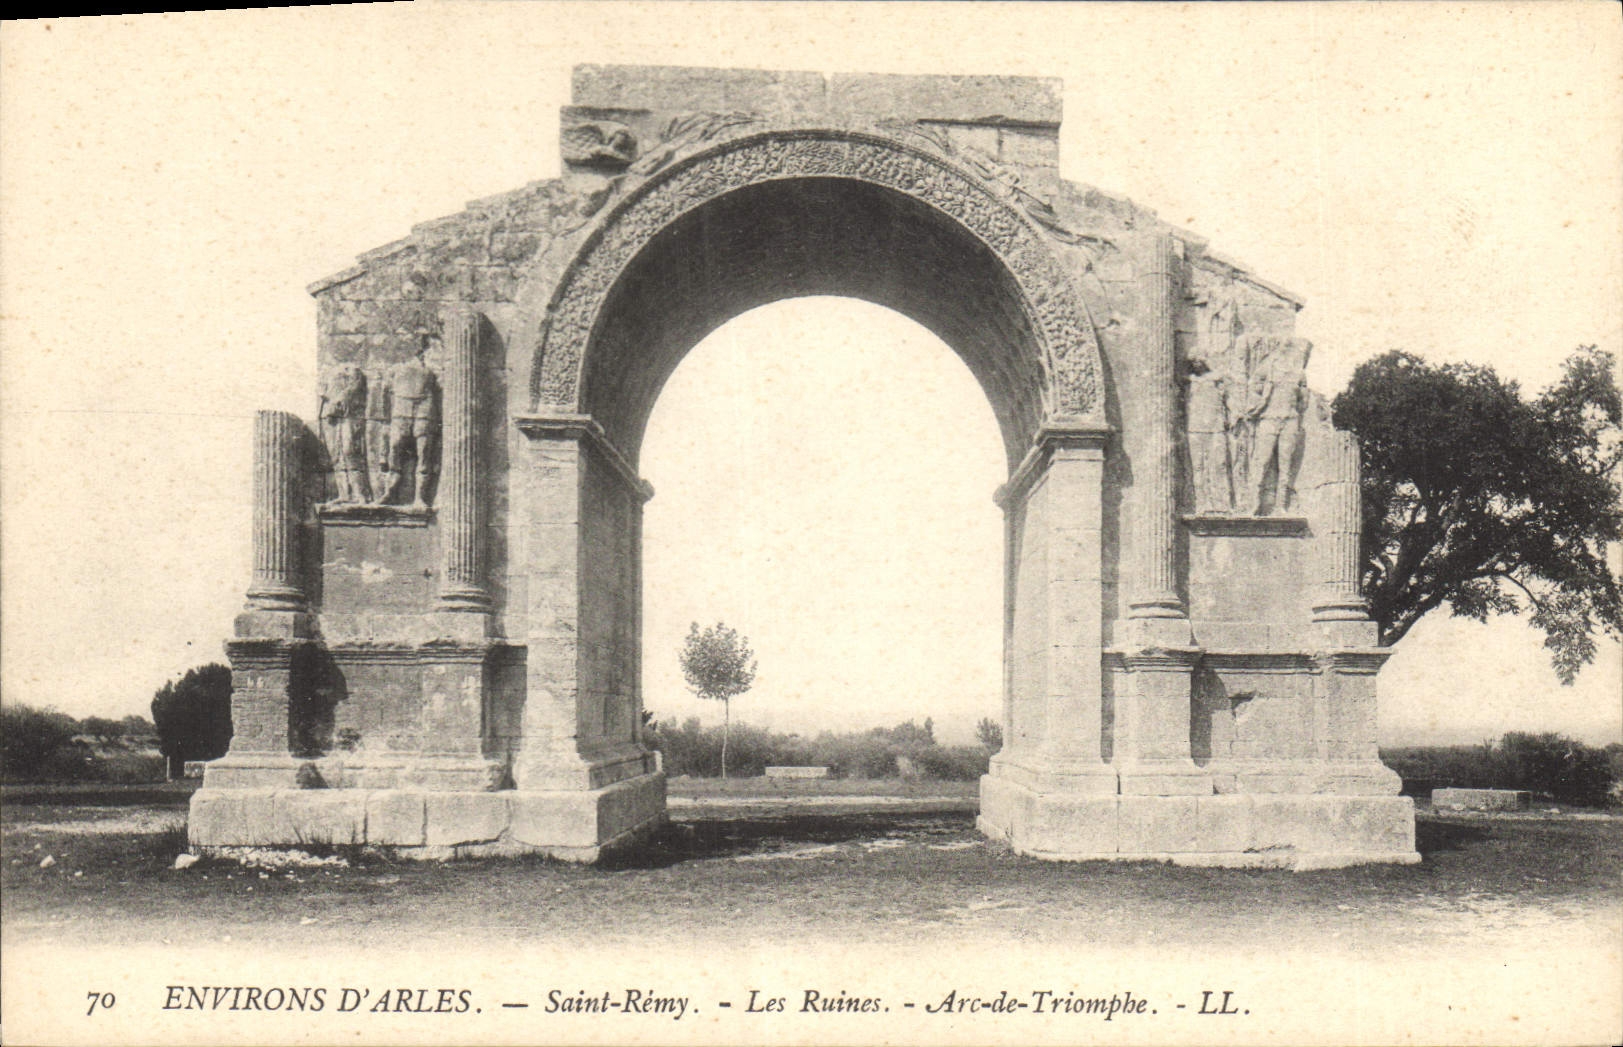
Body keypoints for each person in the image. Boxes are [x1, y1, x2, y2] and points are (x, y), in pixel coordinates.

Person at [1244, 337, 1310, 515]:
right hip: (1269, 418)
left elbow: (1304, 402)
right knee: (1261, 461)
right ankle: (1253, 504)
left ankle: (1280, 506)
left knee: (1285, 465)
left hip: (1290, 420)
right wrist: (1260, 401)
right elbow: (1253, 388)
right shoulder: (1268, 368)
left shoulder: (1299, 374)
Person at [378, 329, 440, 507]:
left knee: (424, 454)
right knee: (395, 448)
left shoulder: (431, 369)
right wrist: (386, 421)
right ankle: (389, 492)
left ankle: (420, 498)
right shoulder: (394, 370)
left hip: (424, 409)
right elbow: (385, 395)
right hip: (401, 409)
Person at [318, 364, 369, 504]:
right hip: (331, 416)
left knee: (350, 451)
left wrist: (338, 399)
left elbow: (354, 387)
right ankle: (344, 493)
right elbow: (322, 392)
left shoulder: (354, 370)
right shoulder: (327, 372)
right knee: (336, 455)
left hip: (349, 415)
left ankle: (359, 493)